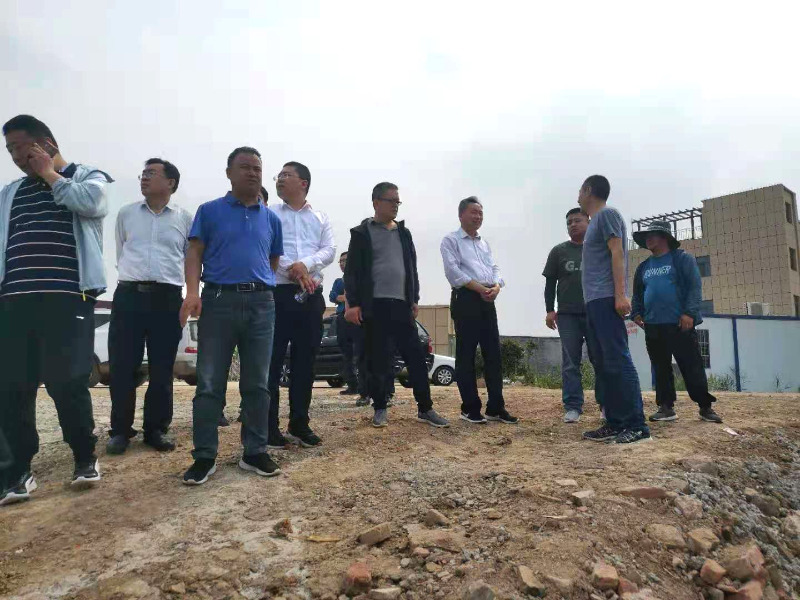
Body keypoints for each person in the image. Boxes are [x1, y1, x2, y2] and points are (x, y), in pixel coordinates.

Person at [0, 115, 113, 505]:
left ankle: (84, 457)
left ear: (45, 144)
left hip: (68, 298)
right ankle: (17, 472)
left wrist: (51, 174)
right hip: (14, 302)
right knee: (12, 387)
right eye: (10, 150)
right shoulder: (10, 193)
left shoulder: (86, 177)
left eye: (20, 147)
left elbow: (93, 204)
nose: (16, 156)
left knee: (67, 381)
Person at [179, 147, 283, 485]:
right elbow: (195, 251)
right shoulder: (209, 211)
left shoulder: (272, 219)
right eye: (245, 167)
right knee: (210, 382)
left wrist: (257, 286)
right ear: (228, 173)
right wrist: (192, 292)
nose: (252, 173)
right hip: (218, 301)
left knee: (258, 383)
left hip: (261, 304)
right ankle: (204, 456)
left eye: (257, 168)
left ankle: (254, 451)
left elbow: (272, 261)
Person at [344, 182, 449, 429]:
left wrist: (414, 299)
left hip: (402, 305)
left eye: (397, 201)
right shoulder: (361, 233)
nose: (396, 206)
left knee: (416, 356)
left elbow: (411, 268)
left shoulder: (404, 233)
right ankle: (380, 407)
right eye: (391, 201)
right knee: (379, 360)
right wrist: (353, 304)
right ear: (376, 202)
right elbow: (352, 272)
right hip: (375, 306)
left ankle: (425, 408)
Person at [106, 159, 193, 455]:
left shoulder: (185, 219)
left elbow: (190, 260)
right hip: (129, 295)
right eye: (143, 173)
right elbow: (121, 252)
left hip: (167, 298)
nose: (144, 177)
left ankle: (156, 429)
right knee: (122, 365)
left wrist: (189, 295)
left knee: (162, 367)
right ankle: (120, 430)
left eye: (151, 173)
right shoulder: (126, 213)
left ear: (170, 182)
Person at [268, 162, 336, 449]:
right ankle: (268, 428)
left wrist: (305, 265)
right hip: (277, 295)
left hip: (311, 297)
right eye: (279, 176)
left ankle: (299, 423)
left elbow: (329, 250)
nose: (280, 179)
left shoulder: (320, 217)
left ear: (303, 183)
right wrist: (293, 270)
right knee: (271, 363)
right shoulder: (269, 213)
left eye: (286, 175)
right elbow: (267, 246)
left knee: (305, 363)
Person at [578, 175, 650, 444]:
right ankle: (615, 422)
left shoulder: (607, 214)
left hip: (607, 298)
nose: (577, 195)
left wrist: (620, 295)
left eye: (580, 190)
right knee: (604, 363)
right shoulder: (595, 222)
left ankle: (637, 425)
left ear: (588, 190)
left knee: (618, 360)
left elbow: (617, 252)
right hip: (594, 301)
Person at [631, 221, 723, 423]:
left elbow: (694, 287)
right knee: (660, 368)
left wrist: (689, 313)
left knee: (691, 366)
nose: (648, 239)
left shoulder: (681, 259)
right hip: (653, 325)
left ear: (664, 237)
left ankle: (705, 407)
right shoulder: (644, 267)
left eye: (652, 235)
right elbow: (637, 293)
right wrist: (636, 313)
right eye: (646, 236)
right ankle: (666, 407)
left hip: (680, 324)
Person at [440, 196, 518, 425]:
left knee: (493, 353)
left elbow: (494, 268)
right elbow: (453, 272)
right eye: (473, 212)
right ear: (461, 215)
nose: (478, 217)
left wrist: (497, 287)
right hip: (466, 298)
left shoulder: (484, 243)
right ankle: (470, 408)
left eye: (481, 213)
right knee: (466, 354)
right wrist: (479, 289)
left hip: (487, 299)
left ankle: (496, 407)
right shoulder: (451, 240)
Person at [543, 208, 603, 423]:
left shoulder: (598, 249)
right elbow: (550, 284)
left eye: (577, 220)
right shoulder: (559, 251)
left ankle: (606, 404)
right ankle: (573, 406)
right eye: (569, 222)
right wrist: (550, 310)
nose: (573, 225)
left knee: (600, 359)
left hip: (595, 312)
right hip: (567, 315)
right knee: (570, 362)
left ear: (589, 222)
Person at [330, 252, 360, 396]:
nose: (342, 263)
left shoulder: (359, 279)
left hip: (356, 317)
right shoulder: (339, 282)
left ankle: (364, 385)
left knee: (359, 351)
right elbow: (332, 296)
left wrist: (344, 297)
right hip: (342, 317)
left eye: (345, 260)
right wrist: (342, 297)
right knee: (346, 352)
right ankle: (352, 384)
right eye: (340, 261)